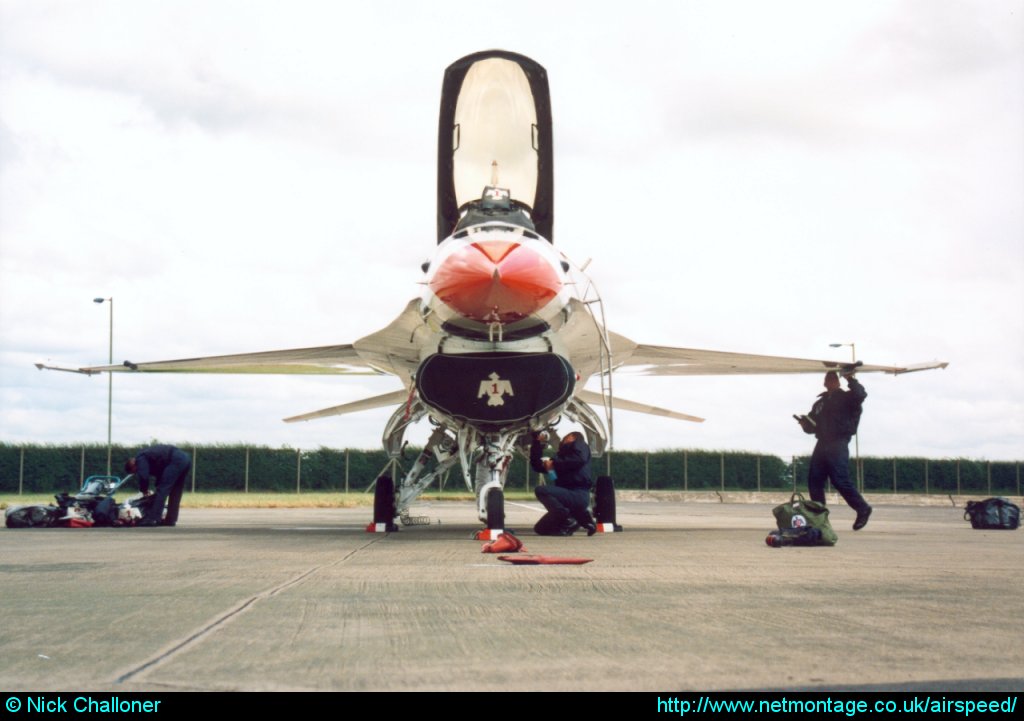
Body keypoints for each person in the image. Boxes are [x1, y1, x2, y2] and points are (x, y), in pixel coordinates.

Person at [796, 370, 872, 530]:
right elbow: (812, 426)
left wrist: (850, 378)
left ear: (838, 382)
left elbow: (861, 395)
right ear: (824, 383)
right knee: (814, 481)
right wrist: (805, 425)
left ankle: (863, 508)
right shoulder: (820, 403)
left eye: (833, 379)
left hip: (838, 442)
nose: (830, 381)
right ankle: (819, 518)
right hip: (822, 442)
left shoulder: (848, 398)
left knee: (840, 479)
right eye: (828, 379)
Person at [529, 431, 597, 536]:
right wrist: (537, 443)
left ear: (572, 437)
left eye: (565, 438)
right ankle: (581, 518)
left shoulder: (580, 444)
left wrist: (554, 463)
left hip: (578, 493)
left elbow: (579, 459)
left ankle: (568, 519)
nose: (562, 441)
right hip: (567, 496)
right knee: (540, 529)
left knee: (541, 490)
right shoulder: (560, 460)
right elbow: (537, 466)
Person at [124, 445, 191, 527]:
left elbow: (143, 476)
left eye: (134, 472)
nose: (136, 473)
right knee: (175, 492)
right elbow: (161, 472)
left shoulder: (140, 458)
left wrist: (144, 490)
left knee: (162, 491)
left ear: (133, 465)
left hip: (175, 460)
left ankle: (152, 519)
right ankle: (170, 520)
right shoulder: (148, 456)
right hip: (185, 459)